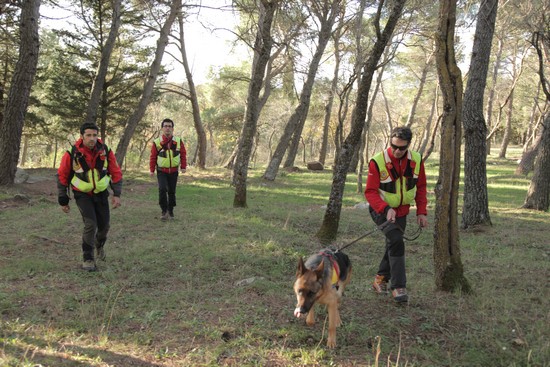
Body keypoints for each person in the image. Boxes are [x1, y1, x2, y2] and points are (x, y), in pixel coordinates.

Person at [365, 126, 428, 303]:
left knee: (393, 243)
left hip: (402, 211)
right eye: (394, 146)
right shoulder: (377, 161)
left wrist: (421, 212)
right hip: (380, 210)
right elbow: (370, 192)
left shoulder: (416, 159)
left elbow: (421, 187)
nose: (397, 151)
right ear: (390, 142)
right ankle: (398, 287)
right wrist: (385, 209)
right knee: (396, 241)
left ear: (408, 145)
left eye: (402, 148)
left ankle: (379, 280)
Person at [57, 122, 123, 272]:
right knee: (90, 224)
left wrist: (117, 194)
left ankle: (99, 246)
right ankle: (88, 258)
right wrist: (63, 199)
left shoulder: (105, 151)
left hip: (101, 194)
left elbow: (116, 172)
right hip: (82, 195)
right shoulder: (71, 153)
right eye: (88, 135)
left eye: (94, 135)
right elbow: (62, 175)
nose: (92, 138)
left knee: (104, 226)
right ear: (82, 136)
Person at [149, 118, 187, 221]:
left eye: (169, 126)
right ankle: (164, 211)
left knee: (171, 191)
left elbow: (183, 154)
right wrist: (152, 170)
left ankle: (171, 211)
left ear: (173, 129)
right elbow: (153, 157)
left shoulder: (178, 141)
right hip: (162, 171)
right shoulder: (157, 142)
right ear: (162, 128)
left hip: (174, 171)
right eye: (165, 126)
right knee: (162, 189)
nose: (167, 128)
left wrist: (183, 166)